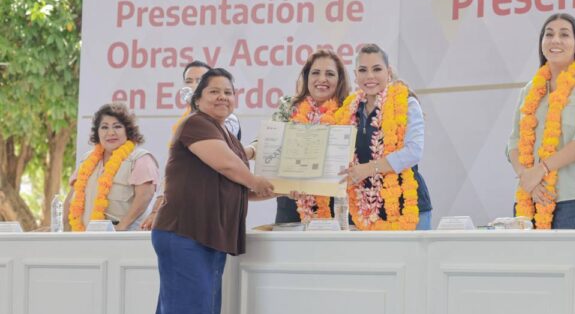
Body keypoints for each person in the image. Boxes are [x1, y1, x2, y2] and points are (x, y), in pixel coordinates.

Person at [142, 68, 274, 314]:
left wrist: (280, 189)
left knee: (185, 305)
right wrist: (255, 180)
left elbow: (237, 188)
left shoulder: (225, 134)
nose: (222, 97)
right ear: (198, 98)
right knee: (194, 307)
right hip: (185, 230)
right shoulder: (196, 124)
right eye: (214, 91)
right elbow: (230, 168)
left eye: (228, 92)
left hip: (205, 233)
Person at [506, 13, 575, 229]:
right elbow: (514, 143)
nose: (555, 40)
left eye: (564, 35)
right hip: (529, 198)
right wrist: (528, 178)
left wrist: (541, 169)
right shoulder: (529, 90)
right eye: (549, 34)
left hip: (572, 201)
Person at [336, 43, 432, 230]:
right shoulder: (349, 110)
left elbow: (413, 152)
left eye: (376, 69)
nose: (370, 76)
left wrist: (368, 169)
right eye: (363, 70)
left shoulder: (407, 103)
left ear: (388, 73)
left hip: (407, 208)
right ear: (355, 75)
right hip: (363, 212)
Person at [140, 61, 242, 230]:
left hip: (212, 206)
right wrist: (156, 210)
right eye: (189, 81)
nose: (193, 86)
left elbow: (223, 163)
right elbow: (173, 172)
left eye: (199, 81)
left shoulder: (226, 120)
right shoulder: (187, 121)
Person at [263, 49, 351, 223]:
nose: (322, 79)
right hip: (291, 198)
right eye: (315, 73)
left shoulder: (349, 110)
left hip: (334, 202)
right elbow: (268, 141)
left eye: (330, 74)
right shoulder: (289, 106)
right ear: (306, 77)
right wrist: (251, 151)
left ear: (339, 80)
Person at [64, 102, 159, 231]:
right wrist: (59, 229)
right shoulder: (87, 160)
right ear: (97, 133)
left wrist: (121, 227)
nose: (110, 132)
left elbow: (145, 196)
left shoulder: (140, 158)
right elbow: (71, 199)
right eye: (104, 127)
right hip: (85, 237)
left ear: (127, 130)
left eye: (117, 126)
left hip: (124, 238)